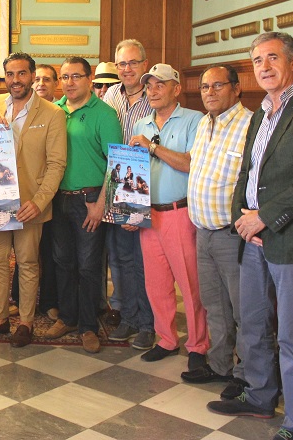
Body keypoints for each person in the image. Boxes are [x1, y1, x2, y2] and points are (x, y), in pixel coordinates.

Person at [207, 32, 293, 440]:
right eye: (256, 60)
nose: (264, 67)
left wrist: (265, 217)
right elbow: (249, 175)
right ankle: (260, 395)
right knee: (251, 324)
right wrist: (241, 216)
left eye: (272, 58)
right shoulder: (260, 113)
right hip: (253, 238)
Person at [0, 52, 66, 348]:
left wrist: (39, 201)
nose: (15, 80)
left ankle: (25, 322)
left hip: (30, 203)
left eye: (22, 74)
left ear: (32, 75)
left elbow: (56, 164)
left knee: (27, 262)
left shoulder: (52, 113)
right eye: (10, 74)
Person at [126, 63, 208, 371]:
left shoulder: (194, 120)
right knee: (156, 284)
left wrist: (154, 147)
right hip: (149, 215)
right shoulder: (143, 123)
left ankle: (198, 346)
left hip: (179, 212)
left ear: (177, 88)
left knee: (190, 285)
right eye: (149, 85)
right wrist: (131, 210)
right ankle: (166, 340)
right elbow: (132, 172)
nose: (153, 90)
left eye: (161, 84)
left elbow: (190, 164)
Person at [182, 65, 252, 397]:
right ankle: (221, 365)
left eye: (218, 86)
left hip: (232, 233)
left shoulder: (250, 124)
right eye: (204, 86)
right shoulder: (203, 123)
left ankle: (249, 374)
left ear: (236, 89)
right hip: (203, 229)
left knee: (245, 308)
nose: (209, 92)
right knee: (214, 305)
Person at [43, 56, 121, 353]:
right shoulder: (55, 111)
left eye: (77, 77)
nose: (70, 83)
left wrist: (101, 203)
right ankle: (68, 318)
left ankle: (88, 326)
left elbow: (115, 163)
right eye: (65, 77)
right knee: (63, 263)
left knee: (89, 266)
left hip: (89, 200)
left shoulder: (104, 114)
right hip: (58, 199)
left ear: (90, 79)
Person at [102, 39, 155, 348]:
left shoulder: (154, 94)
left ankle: (148, 324)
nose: (127, 69)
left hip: (143, 186)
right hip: (115, 183)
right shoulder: (111, 95)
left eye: (133, 63)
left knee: (142, 260)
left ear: (144, 65)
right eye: (122, 64)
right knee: (120, 258)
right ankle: (128, 318)